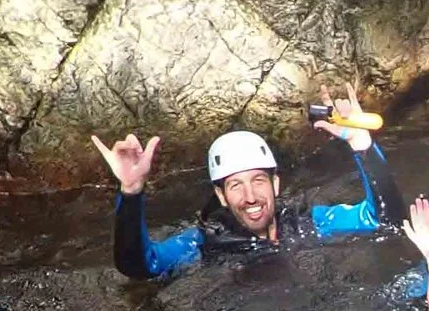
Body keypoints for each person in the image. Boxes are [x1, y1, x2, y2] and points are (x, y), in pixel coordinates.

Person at [95, 94, 402, 282]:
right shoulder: (204, 244)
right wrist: (131, 191)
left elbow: (383, 220)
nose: (251, 197)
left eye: (258, 181)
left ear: (276, 184)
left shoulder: (309, 223)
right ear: (221, 196)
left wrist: (360, 144)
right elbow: (140, 267)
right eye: (236, 186)